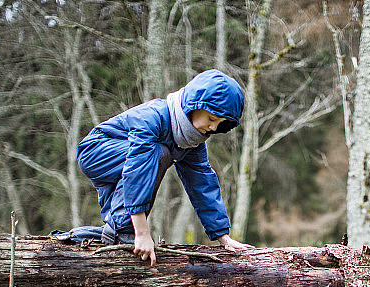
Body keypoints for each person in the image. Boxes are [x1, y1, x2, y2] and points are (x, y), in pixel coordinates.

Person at [66, 69, 253, 266]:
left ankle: (112, 232)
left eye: (220, 123)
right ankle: (125, 230)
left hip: (126, 161)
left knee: (158, 156)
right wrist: (141, 233)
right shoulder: (155, 117)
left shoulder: (193, 142)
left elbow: (202, 184)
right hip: (96, 150)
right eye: (212, 119)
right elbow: (136, 170)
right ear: (195, 105)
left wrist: (223, 237)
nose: (213, 128)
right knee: (157, 153)